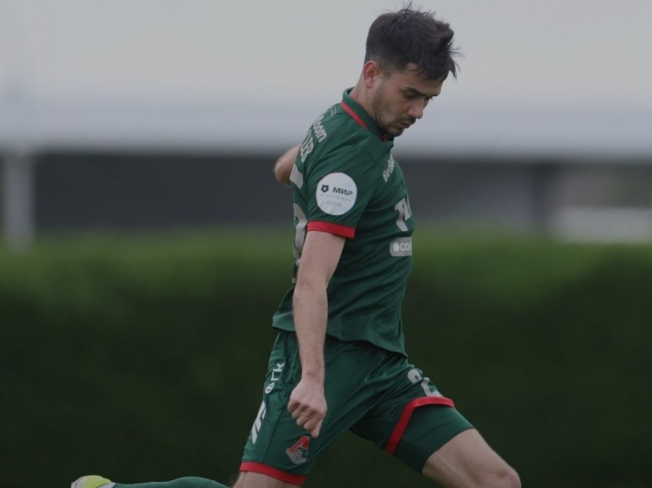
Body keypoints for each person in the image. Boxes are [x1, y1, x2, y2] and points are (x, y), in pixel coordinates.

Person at [72, 4, 520, 488]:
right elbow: (311, 280)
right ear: (371, 73)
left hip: (381, 366)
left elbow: (284, 169)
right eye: (410, 95)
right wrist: (311, 378)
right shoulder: (350, 158)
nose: (418, 112)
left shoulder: (344, 123)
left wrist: (306, 158)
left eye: (428, 99)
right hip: (329, 357)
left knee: (497, 482)